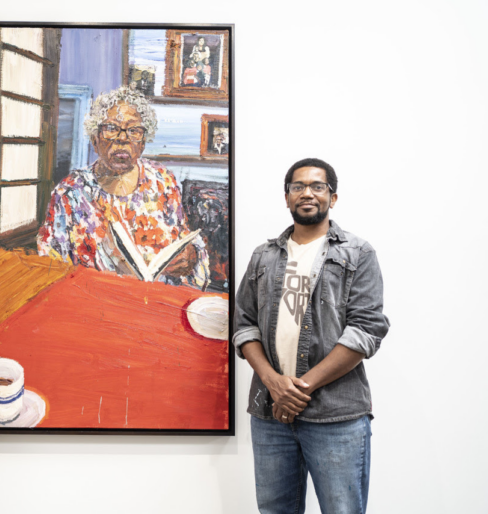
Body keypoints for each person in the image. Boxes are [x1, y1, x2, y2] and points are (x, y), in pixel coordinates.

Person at [233, 158, 390, 514]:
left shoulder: (357, 253)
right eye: (297, 186)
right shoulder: (263, 257)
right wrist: (274, 383)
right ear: (286, 197)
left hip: (337, 415)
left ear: (332, 198)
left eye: (317, 186)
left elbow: (366, 331)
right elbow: (243, 326)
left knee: (342, 509)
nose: (307, 193)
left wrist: (298, 390)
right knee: (275, 510)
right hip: (271, 414)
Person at [37, 86, 210, 290]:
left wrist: (190, 256)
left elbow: (185, 240)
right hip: (95, 304)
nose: (122, 138)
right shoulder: (69, 193)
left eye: (134, 130)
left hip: (156, 300)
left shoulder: (164, 182)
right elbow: (50, 266)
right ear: (95, 139)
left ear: (143, 143)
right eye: (111, 128)